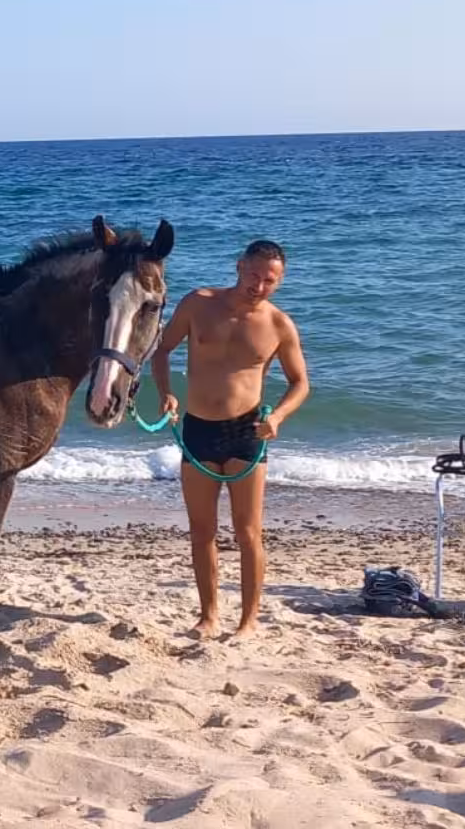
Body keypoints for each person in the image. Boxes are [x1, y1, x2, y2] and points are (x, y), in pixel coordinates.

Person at [149, 239, 310, 640]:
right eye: (254, 274)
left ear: (280, 281)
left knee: (248, 532)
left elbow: (300, 383)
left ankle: (249, 621)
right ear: (239, 267)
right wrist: (166, 392)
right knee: (201, 531)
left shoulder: (278, 325)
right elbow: (161, 350)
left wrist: (279, 417)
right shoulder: (198, 304)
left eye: (270, 280)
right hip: (198, 429)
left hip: (247, 432)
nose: (259, 285)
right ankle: (208, 617)